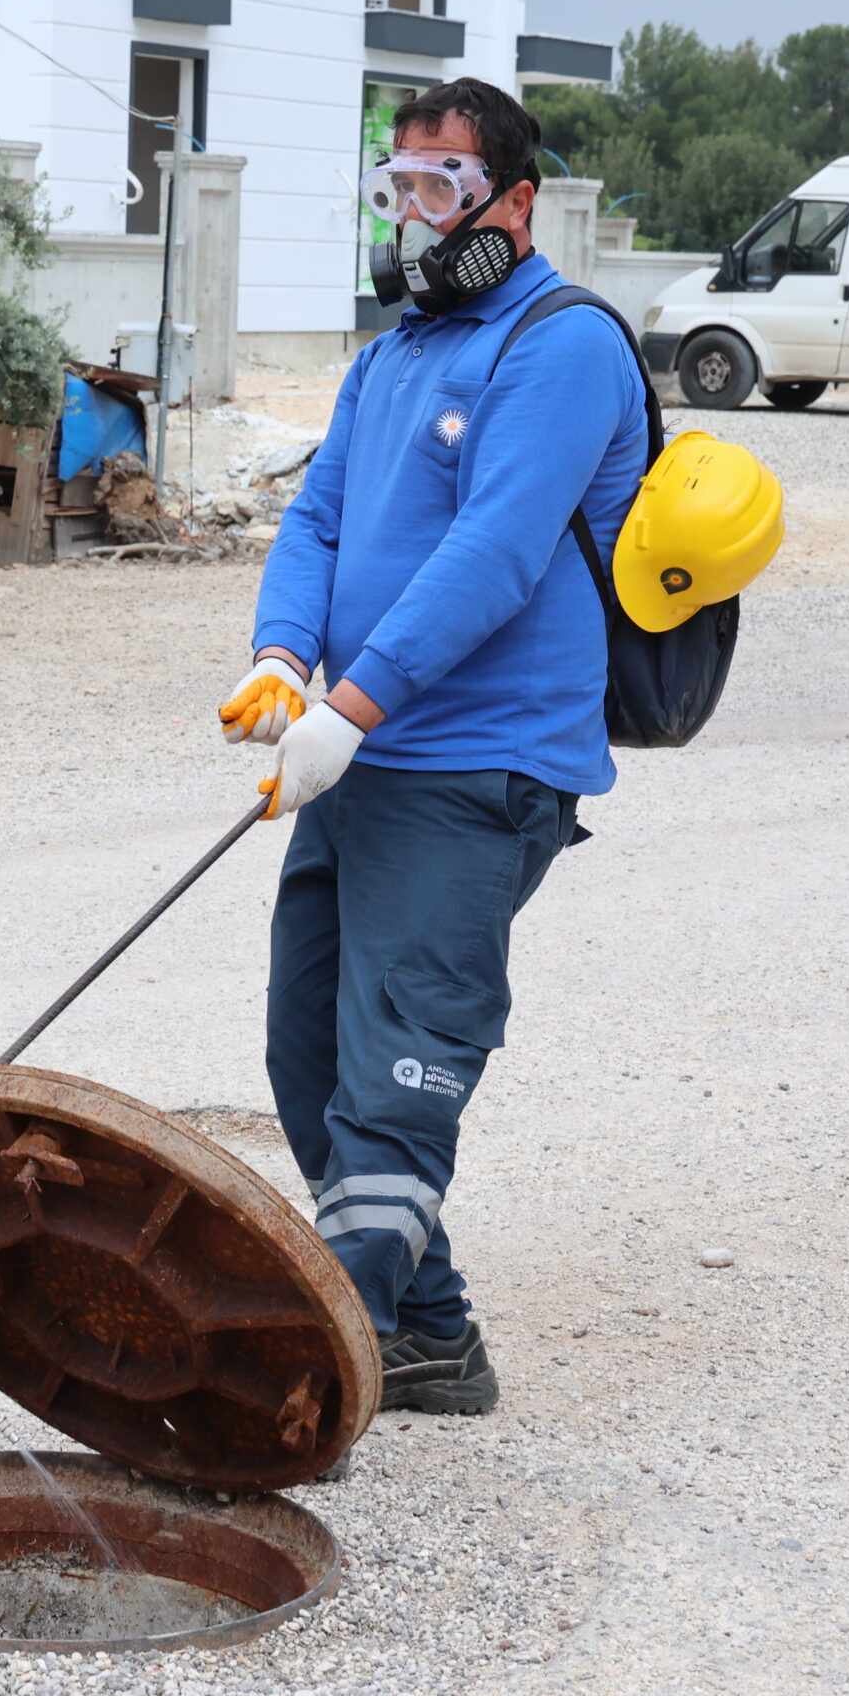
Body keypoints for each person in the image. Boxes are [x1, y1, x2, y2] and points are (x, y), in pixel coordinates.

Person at [217, 79, 645, 1416]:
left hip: (475, 763)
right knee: (308, 1052)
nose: (412, 217)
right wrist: (287, 654)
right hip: (359, 752)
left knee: (401, 1064)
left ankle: (307, 1374)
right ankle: (432, 1337)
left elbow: (500, 548)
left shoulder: (561, 345)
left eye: (440, 188)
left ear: (513, 203)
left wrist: (358, 703)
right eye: (395, 189)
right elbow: (322, 514)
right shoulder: (395, 350)